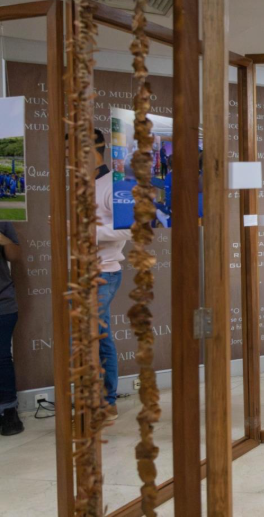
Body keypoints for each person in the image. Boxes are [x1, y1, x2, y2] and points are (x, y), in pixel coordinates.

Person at [91, 128, 132, 421]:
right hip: (83, 271)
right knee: (98, 336)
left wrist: (82, 230)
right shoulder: (83, 183)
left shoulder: (115, 183)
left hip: (104, 273)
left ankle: (104, 402)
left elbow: (129, 228)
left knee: (90, 335)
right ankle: (104, 402)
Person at [0, 223, 23, 436]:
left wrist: (3, 239)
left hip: (2, 302)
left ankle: (8, 409)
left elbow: (14, 256)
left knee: (2, 357)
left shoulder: (3, 218)